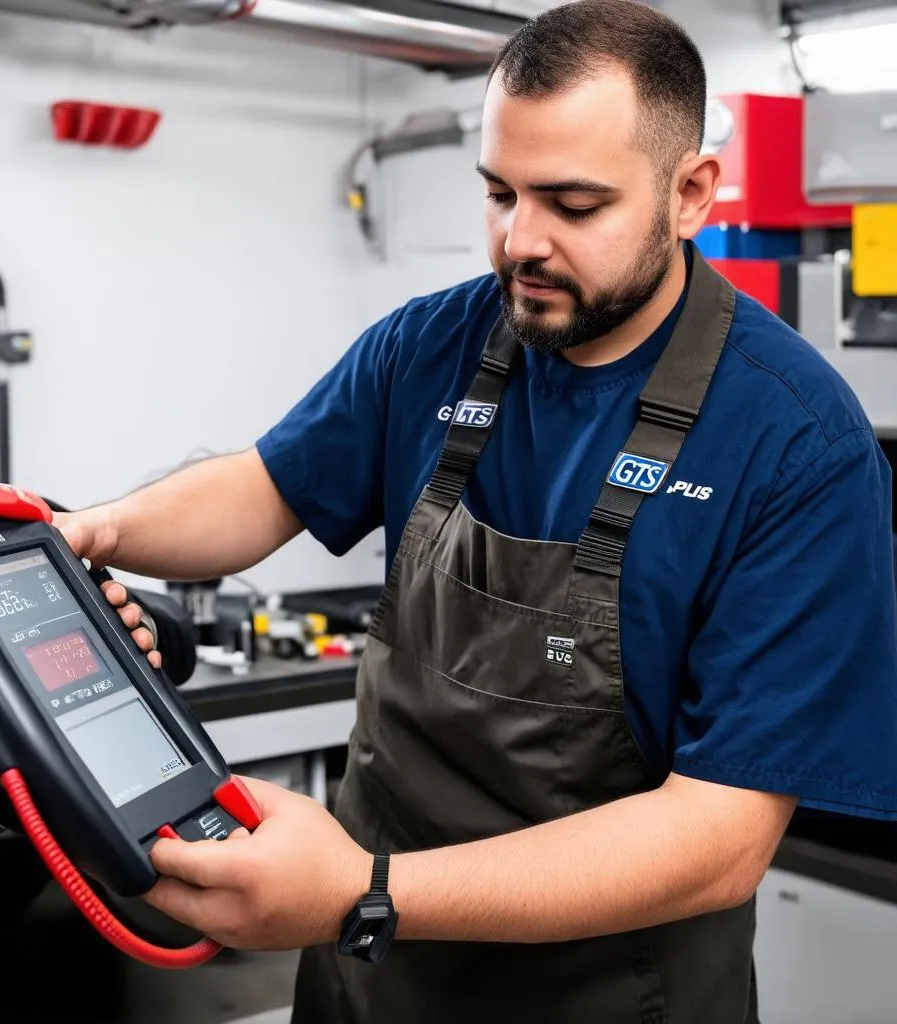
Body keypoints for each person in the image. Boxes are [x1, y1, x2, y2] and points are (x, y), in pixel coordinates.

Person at [55, 1, 897, 1020]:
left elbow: (718, 837)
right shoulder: (432, 343)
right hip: (373, 981)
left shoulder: (795, 442)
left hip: (599, 996)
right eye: (499, 193)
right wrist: (93, 532)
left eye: (572, 204)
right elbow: (266, 485)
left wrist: (363, 890)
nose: (518, 241)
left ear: (691, 194)